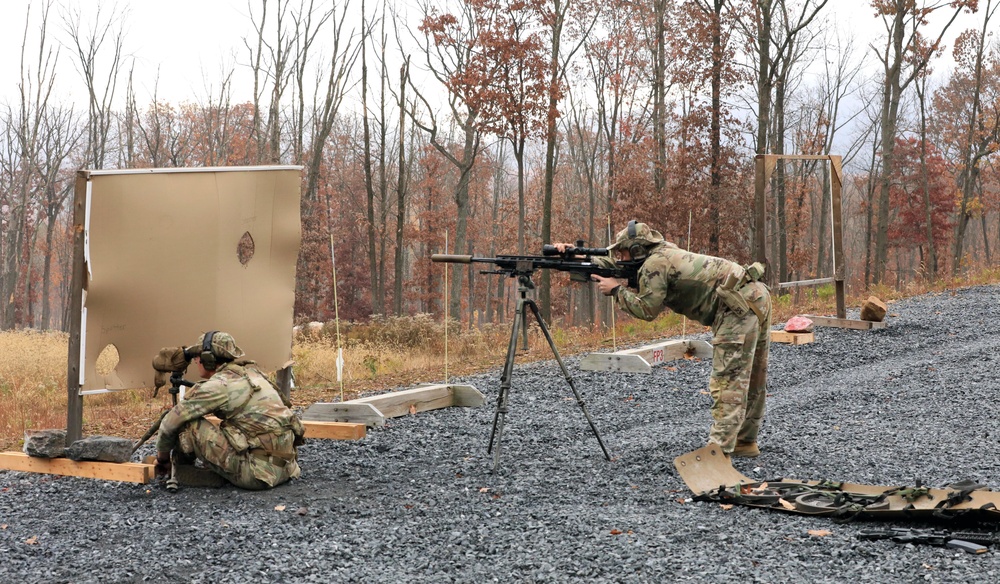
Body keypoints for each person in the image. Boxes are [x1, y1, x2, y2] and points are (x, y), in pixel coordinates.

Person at [556, 220, 772, 458]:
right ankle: (744, 441)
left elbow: (647, 310)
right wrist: (576, 259)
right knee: (753, 376)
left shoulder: (655, 264)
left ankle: (718, 454)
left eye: (623, 252)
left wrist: (617, 291)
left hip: (736, 308)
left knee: (728, 380)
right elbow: (615, 266)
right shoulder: (663, 252)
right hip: (756, 295)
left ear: (638, 250)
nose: (621, 257)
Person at [151, 331, 305, 489]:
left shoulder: (218, 385)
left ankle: (180, 472)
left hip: (257, 475)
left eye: (197, 357)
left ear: (208, 360)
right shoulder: (253, 374)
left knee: (186, 423)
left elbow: (169, 423)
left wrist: (162, 459)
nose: (195, 361)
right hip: (287, 468)